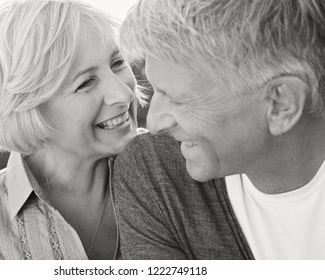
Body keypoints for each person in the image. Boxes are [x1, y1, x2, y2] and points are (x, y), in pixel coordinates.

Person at [113, 0, 325, 259]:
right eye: (155, 89)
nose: (154, 125)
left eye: (179, 100)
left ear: (281, 105)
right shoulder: (155, 173)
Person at [0, 0, 145, 259]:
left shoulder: (179, 164)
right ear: (28, 107)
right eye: (86, 82)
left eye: (117, 63)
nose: (123, 93)